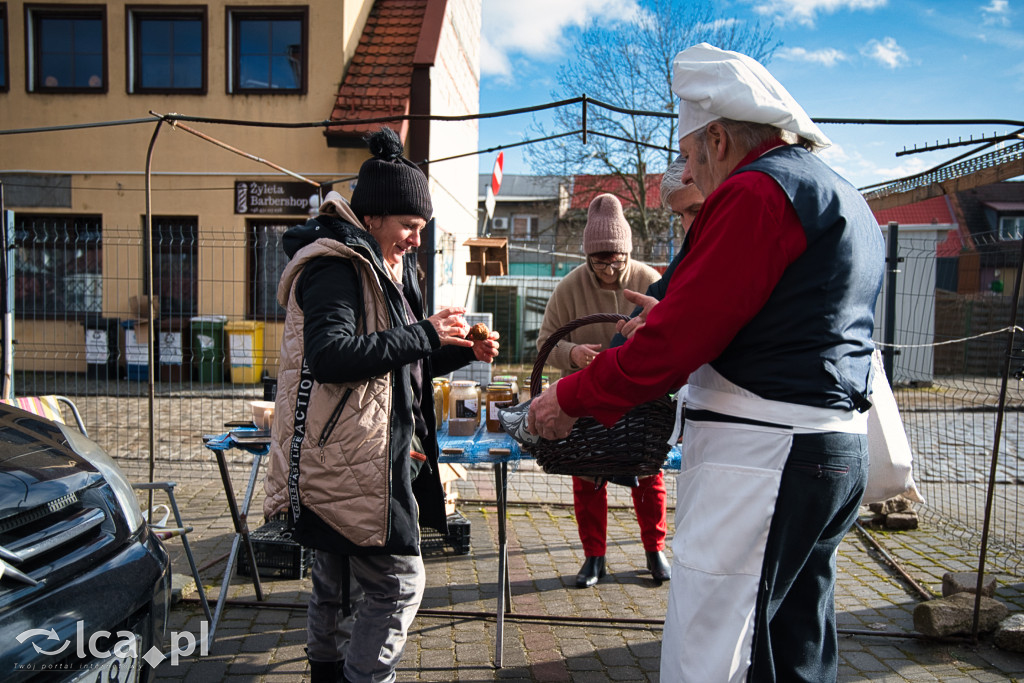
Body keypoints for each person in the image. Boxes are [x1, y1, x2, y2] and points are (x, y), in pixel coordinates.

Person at [528, 43, 884, 682]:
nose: (691, 172)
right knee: (795, 642)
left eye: (691, 157)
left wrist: (570, 397)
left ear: (718, 139)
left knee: (713, 646)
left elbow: (673, 346)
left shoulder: (755, 192)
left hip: (765, 457)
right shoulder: (838, 193)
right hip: (832, 448)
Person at [264, 127, 499, 683]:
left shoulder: (388, 268)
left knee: (338, 581)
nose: (417, 239)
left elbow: (400, 364)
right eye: (409, 227)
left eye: (421, 228)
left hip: (363, 453)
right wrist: (424, 334)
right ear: (372, 218)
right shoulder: (336, 266)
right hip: (346, 457)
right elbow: (331, 357)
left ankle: (328, 674)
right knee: (399, 583)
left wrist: (455, 351)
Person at [535, 193, 668, 588]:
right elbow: (545, 345)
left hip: (640, 399)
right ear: (587, 256)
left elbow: (671, 339)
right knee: (588, 476)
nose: (610, 268)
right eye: (600, 260)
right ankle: (594, 556)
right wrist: (573, 353)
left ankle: (654, 550)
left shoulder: (652, 281)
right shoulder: (568, 287)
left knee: (649, 476)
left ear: (628, 252)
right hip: (586, 398)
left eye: (617, 259)